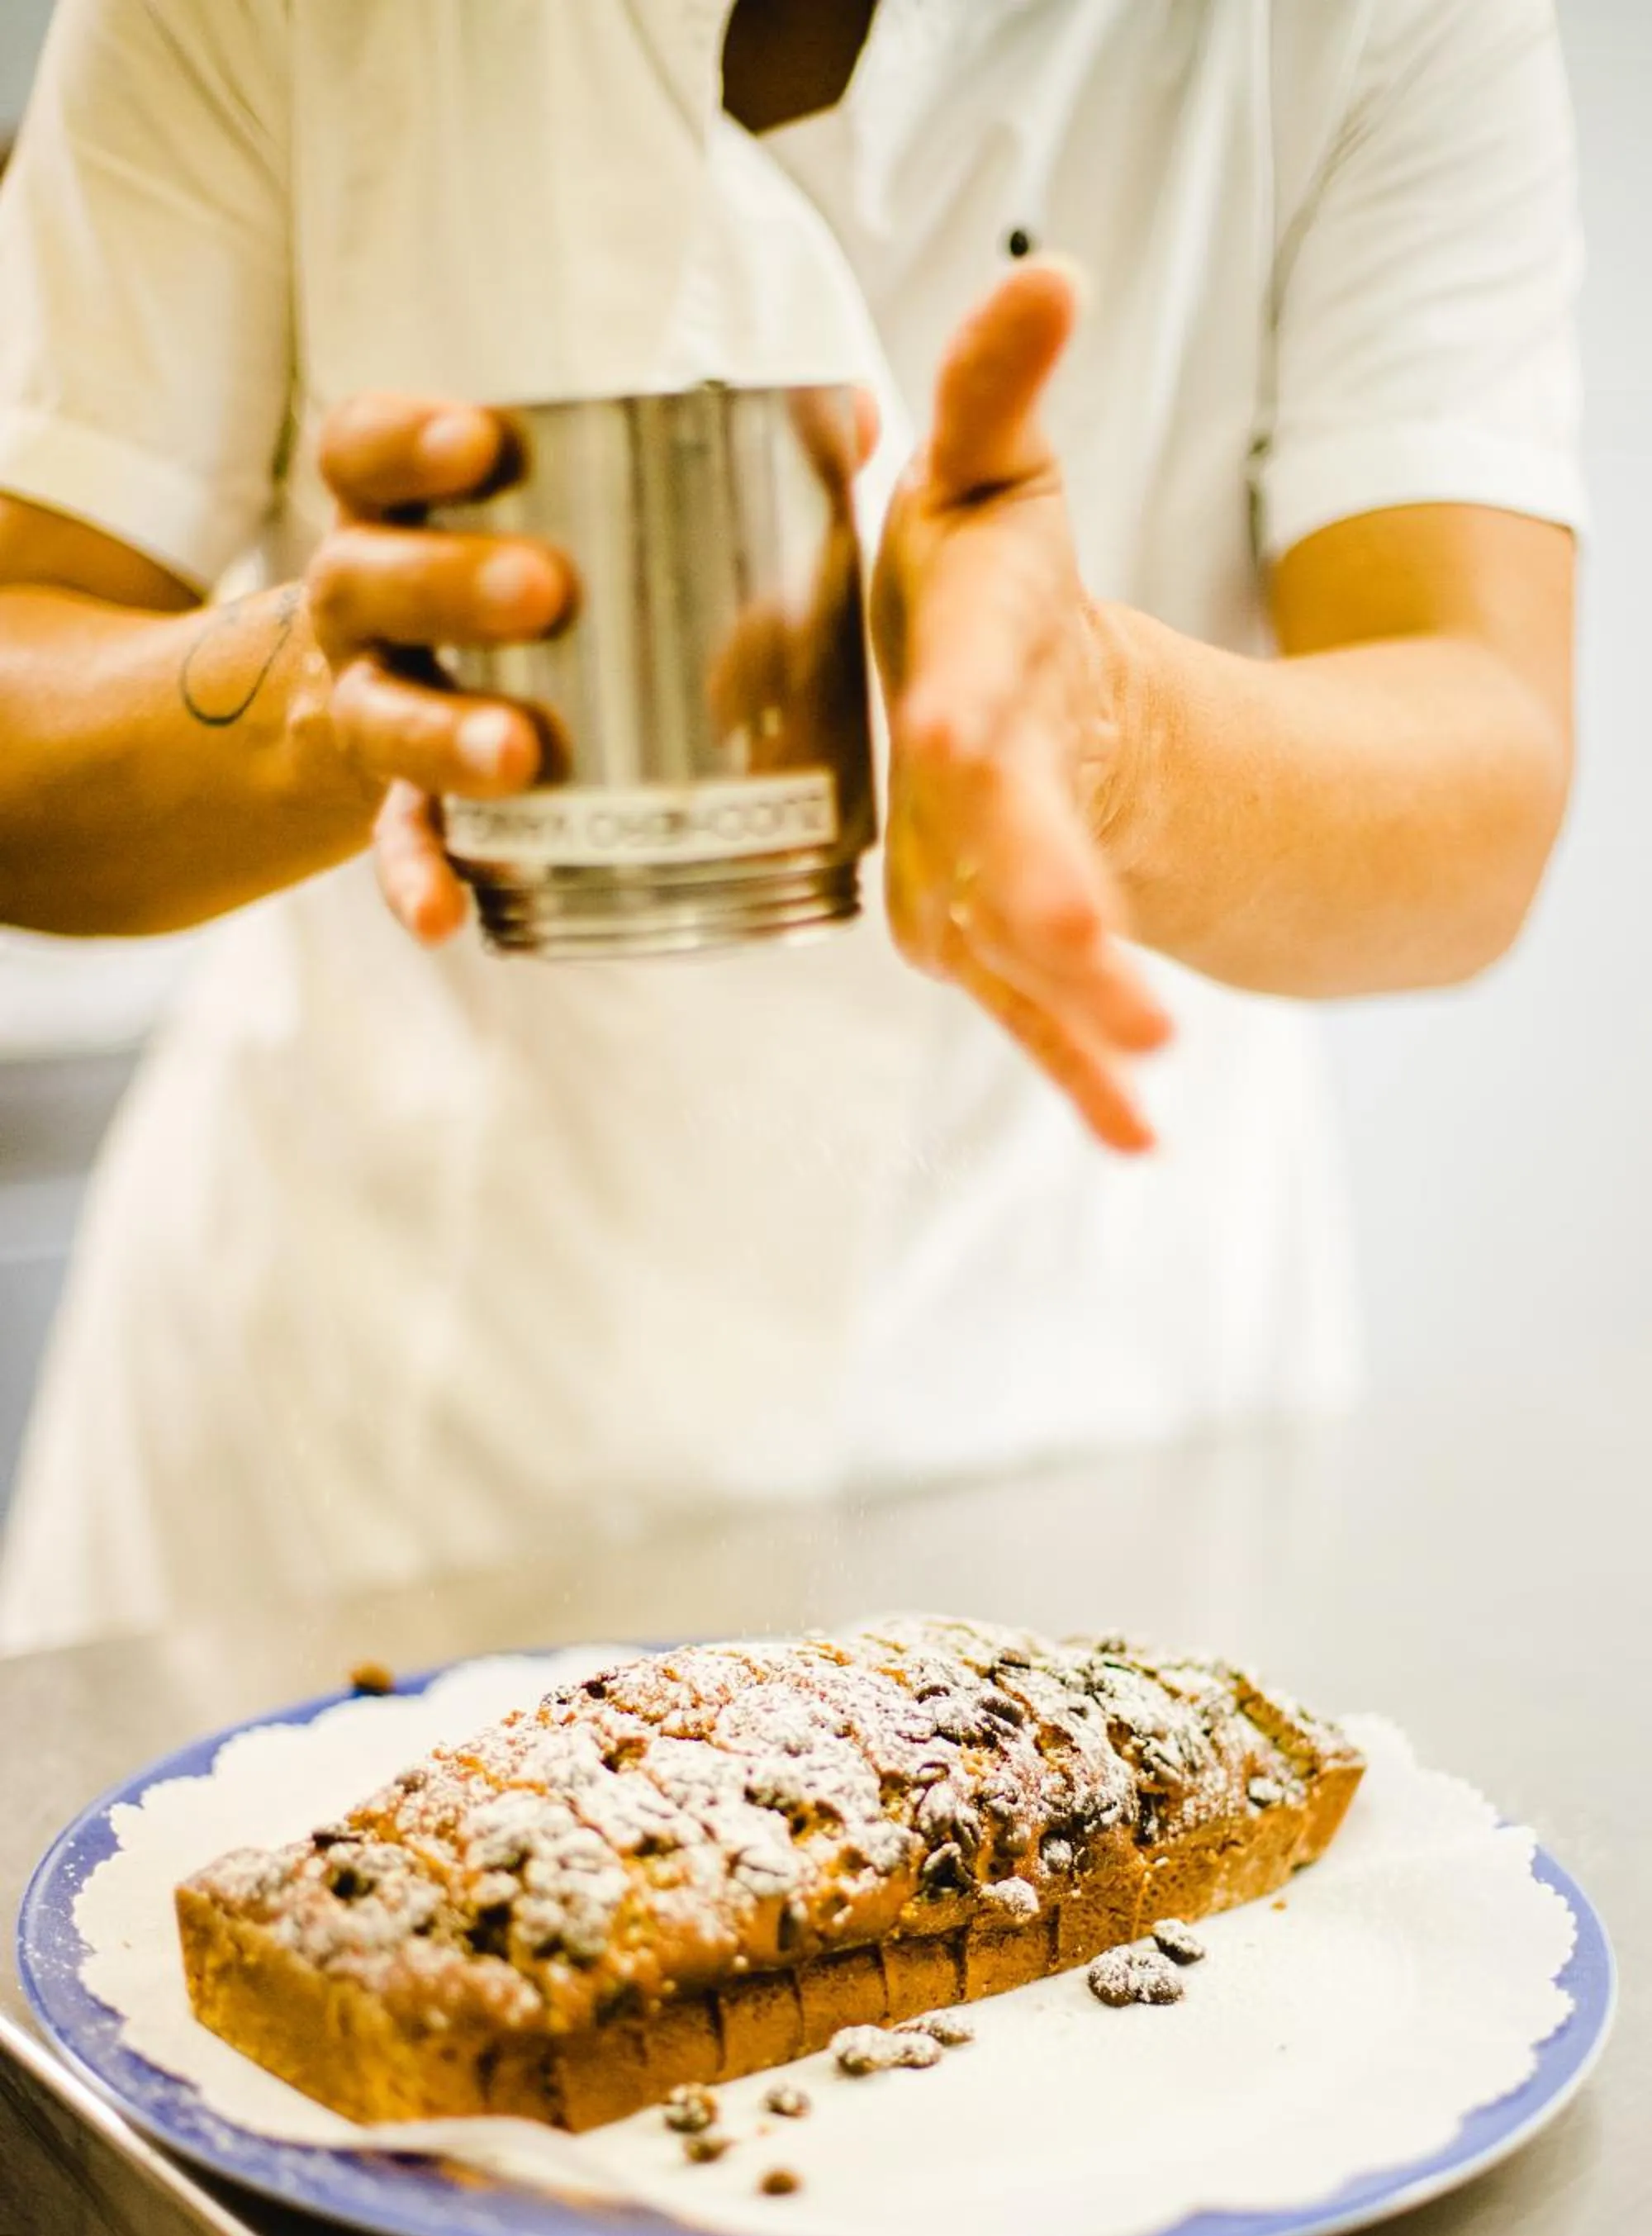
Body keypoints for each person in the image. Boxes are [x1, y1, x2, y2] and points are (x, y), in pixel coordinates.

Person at [0, 1, 1580, 1654]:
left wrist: (1102, 727)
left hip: (1065, 1442)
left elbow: (1483, 780)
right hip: (352, 1476)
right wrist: (315, 688)